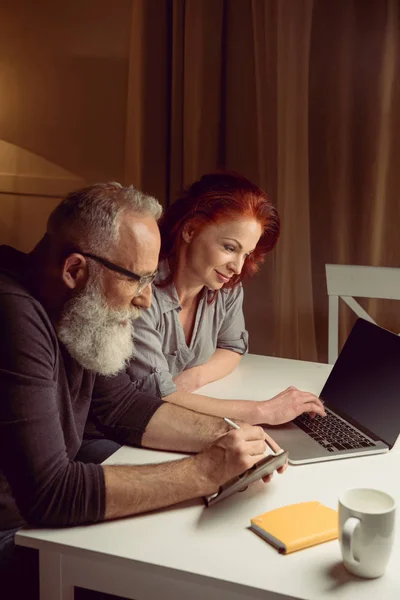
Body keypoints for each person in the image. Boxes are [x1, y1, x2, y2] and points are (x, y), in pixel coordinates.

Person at [0, 182, 283, 597]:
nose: (148, 301)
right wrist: (205, 471)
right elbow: (51, 494)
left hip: (39, 519)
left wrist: (226, 434)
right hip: (15, 530)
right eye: (139, 280)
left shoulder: (76, 306)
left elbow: (121, 406)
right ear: (75, 269)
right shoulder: (13, 315)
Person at [114, 172, 326, 424]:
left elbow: (232, 347)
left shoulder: (226, 287)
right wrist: (261, 412)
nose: (237, 267)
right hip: (122, 431)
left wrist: (196, 377)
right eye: (229, 247)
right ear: (190, 230)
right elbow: (155, 396)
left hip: (175, 421)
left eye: (246, 254)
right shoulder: (140, 291)